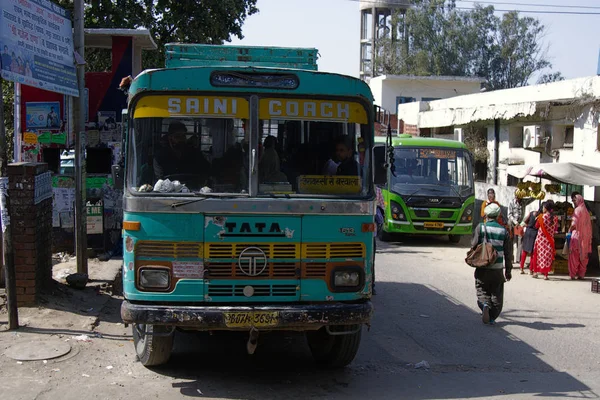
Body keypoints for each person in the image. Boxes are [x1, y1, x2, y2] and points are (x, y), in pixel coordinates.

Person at [471, 203, 512, 325]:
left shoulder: (480, 227)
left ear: (486, 215)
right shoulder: (504, 231)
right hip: (497, 269)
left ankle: (484, 304)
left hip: (482, 267)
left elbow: (473, 246)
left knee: (481, 289)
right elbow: (508, 253)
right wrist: (508, 271)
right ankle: (492, 316)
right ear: (498, 215)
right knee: (497, 294)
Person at [532, 200, 558, 280]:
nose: (542, 208)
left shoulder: (541, 217)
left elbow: (536, 226)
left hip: (541, 240)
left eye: (543, 207)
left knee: (537, 255)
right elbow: (556, 229)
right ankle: (546, 275)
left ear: (546, 208)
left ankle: (535, 272)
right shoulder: (555, 218)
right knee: (547, 256)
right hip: (550, 240)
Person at [568, 194, 592, 280]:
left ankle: (573, 274)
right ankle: (581, 275)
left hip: (577, 237)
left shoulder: (577, 210)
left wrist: (569, 230)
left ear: (579, 200)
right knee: (584, 256)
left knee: (574, 256)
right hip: (585, 238)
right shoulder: (586, 211)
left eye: (574, 200)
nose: (573, 202)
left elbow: (574, 224)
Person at [519, 205, 541, 274]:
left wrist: (523, 226)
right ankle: (531, 270)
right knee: (532, 252)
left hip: (528, 231)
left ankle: (521, 268)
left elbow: (525, 220)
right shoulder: (541, 216)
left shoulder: (532, 213)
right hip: (534, 233)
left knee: (524, 251)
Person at [507, 191, 523, 263]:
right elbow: (509, 215)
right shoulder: (512, 202)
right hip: (512, 223)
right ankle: (511, 258)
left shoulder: (523, 202)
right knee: (510, 241)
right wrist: (515, 222)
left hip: (520, 224)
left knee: (520, 240)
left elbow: (530, 199)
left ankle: (518, 259)